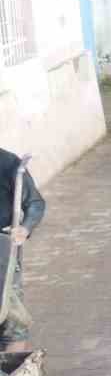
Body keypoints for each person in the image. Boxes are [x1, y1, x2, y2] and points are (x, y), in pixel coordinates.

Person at [0, 149, 45, 354]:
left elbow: (35, 203)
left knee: (12, 323)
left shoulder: (8, 164)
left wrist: (25, 228)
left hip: (3, 251)